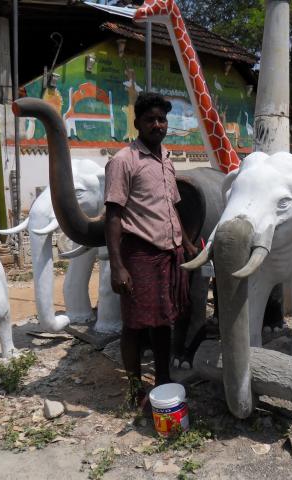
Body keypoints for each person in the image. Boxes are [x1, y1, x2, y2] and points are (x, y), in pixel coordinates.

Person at [105, 92, 197, 408]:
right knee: (133, 324)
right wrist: (117, 266)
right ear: (137, 124)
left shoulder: (166, 161)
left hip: (168, 253)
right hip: (140, 253)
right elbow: (113, 215)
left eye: (162, 119)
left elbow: (172, 207)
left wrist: (186, 244)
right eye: (150, 119)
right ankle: (134, 388)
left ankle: (161, 379)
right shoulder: (123, 161)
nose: (157, 124)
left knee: (162, 320)